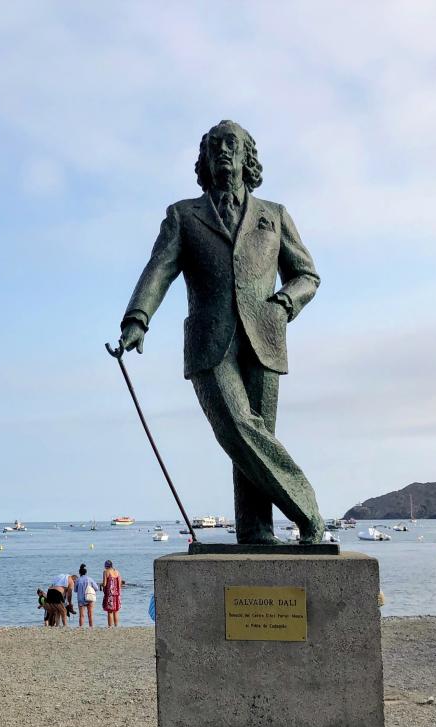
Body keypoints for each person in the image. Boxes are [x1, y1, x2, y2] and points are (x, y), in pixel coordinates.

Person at [118, 120, 325, 543]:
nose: (223, 153)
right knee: (236, 426)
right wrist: (137, 318)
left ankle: (256, 533)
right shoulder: (183, 216)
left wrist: (286, 302)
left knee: (255, 439)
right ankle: (308, 511)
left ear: (248, 156)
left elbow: (306, 274)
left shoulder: (275, 215)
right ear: (205, 159)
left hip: (265, 336)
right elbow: (159, 269)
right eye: (215, 147)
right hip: (209, 343)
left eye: (232, 145)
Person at [100, 560, 123, 627]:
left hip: (109, 594)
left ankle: (110, 626)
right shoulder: (117, 572)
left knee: (110, 611)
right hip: (117, 594)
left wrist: (101, 585)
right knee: (116, 611)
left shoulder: (106, 572)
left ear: (106, 566)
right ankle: (116, 626)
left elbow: (104, 584)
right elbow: (120, 583)